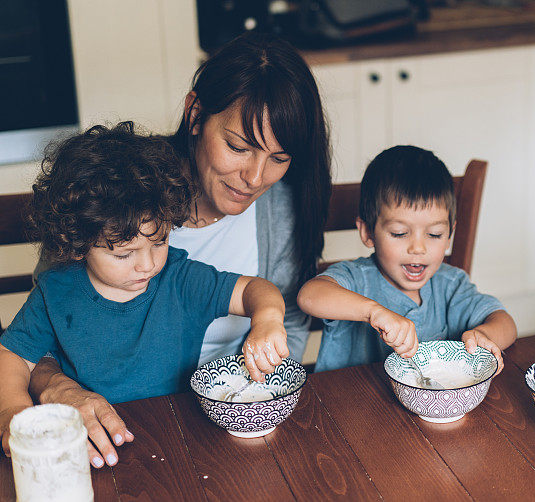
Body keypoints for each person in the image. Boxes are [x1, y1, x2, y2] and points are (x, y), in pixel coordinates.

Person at [27, 32, 331, 468]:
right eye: (238, 147)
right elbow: (42, 330)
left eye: (279, 158)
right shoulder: (121, 192)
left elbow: (288, 320)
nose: (255, 177)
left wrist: (251, 393)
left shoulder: (281, 210)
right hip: (112, 429)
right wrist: (58, 388)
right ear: (195, 114)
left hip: (227, 424)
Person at [0, 123, 289, 458]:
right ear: (78, 245)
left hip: (179, 436)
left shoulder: (180, 279)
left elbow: (255, 289)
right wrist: (12, 412)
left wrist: (267, 317)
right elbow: (14, 356)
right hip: (89, 440)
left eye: (160, 241)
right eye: (123, 254)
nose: (147, 265)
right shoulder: (56, 291)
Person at [297, 145, 517, 372]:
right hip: (348, 402)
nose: (418, 248)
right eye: (400, 233)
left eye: (434, 234)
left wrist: (483, 335)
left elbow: (505, 323)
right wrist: (373, 312)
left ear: (450, 234)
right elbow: (310, 296)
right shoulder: (357, 279)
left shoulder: (451, 285)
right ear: (368, 233)